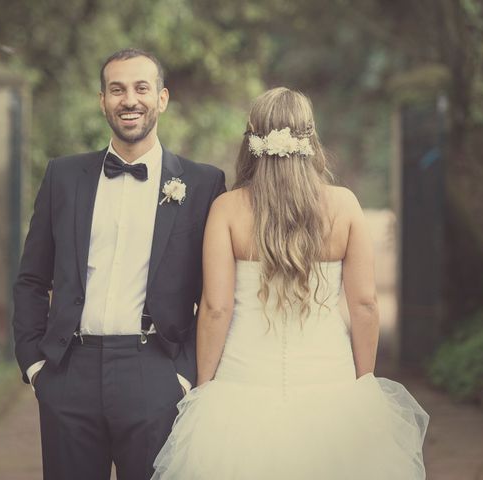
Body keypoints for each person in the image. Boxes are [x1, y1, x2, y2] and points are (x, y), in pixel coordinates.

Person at [152, 87, 429, 479]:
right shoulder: (344, 205)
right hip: (329, 381)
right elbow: (365, 304)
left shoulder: (228, 208)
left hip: (241, 384)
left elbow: (216, 307)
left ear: (252, 139)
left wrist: (203, 386)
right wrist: (364, 383)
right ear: (311, 138)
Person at [12, 48, 226, 480]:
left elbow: (216, 293)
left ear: (162, 98)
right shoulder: (63, 176)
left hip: (157, 374)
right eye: (117, 90)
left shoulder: (203, 184)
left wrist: (185, 376)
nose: (130, 100)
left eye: (141, 88)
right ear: (103, 100)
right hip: (69, 373)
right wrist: (36, 367)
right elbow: (32, 278)